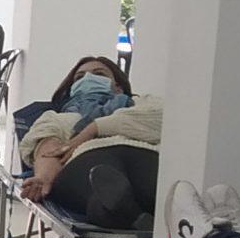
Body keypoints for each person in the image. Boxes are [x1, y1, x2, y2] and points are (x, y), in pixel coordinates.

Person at [16, 56, 165, 225]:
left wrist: (92, 129)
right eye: (79, 77)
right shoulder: (58, 118)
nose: (88, 79)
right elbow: (49, 149)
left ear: (118, 87)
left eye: (99, 74)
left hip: (144, 158)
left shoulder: (140, 102)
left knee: (112, 197)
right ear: (71, 89)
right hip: (90, 163)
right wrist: (43, 178)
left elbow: (164, 121)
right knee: (100, 182)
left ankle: (125, 212)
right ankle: (125, 212)